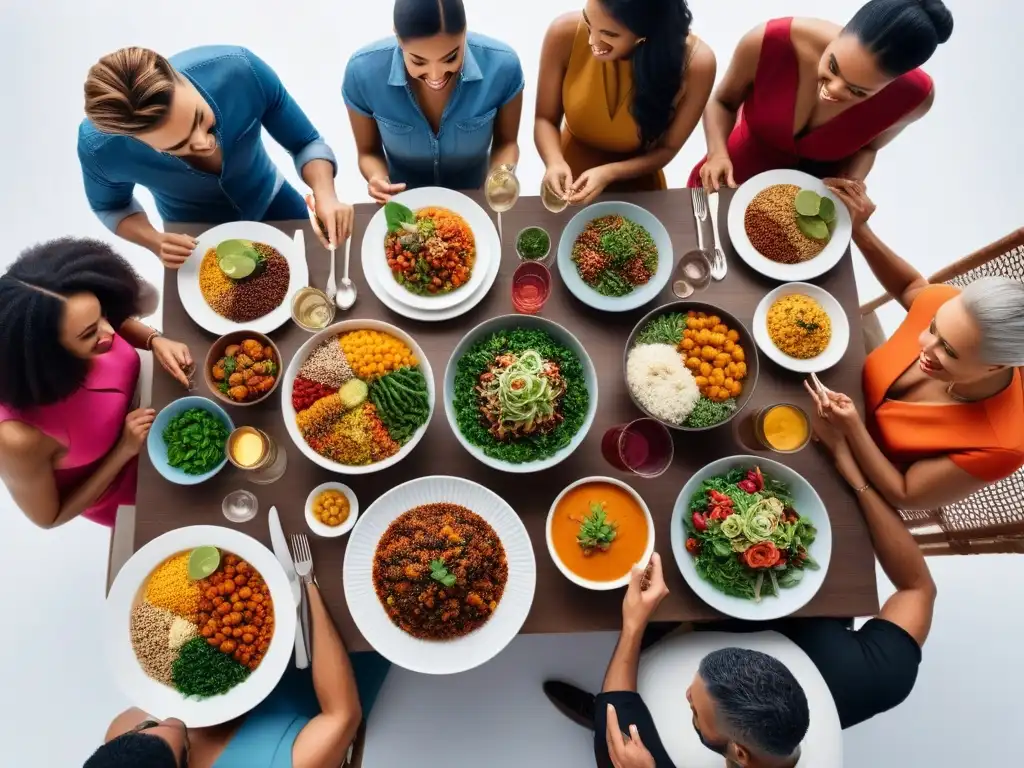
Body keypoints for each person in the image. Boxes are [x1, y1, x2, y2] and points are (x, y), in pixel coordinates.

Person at [543, 424, 936, 767]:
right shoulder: (879, 678)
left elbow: (619, 711)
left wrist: (633, 625)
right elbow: (917, 588)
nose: (687, 692)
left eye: (693, 707)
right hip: (778, 608)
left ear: (738, 753)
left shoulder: (645, 761)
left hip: (644, 676)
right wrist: (855, 476)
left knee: (610, 727)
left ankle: (593, 712)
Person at [803, 180, 1024, 512]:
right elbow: (911, 286)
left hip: (849, 474)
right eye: (933, 326)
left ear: (996, 366)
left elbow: (904, 493)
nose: (924, 343)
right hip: (823, 390)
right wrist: (861, 229)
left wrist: (853, 429)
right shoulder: (949, 304)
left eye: (948, 350)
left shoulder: (1003, 445)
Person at [80, 46, 353, 268]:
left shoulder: (241, 71)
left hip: (274, 201)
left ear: (178, 75)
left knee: (329, 274)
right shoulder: (99, 149)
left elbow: (305, 142)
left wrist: (326, 194)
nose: (205, 142)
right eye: (179, 145)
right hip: (194, 240)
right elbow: (111, 207)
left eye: (201, 118)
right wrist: (154, 240)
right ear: (133, 139)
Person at [83, 577, 391, 768]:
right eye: (182, 745)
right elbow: (343, 715)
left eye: (151, 724)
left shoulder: (120, 733)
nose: (174, 721)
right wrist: (308, 586)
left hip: (258, 638)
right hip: (340, 661)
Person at [0, 238, 194, 529]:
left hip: (166, 415)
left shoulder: (89, 324)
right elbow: (49, 518)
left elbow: (111, 323)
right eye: (90, 333)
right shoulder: (16, 437)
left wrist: (155, 340)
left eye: (102, 312)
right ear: (47, 353)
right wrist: (124, 450)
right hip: (126, 485)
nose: (110, 331)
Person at [692, 0, 953, 191]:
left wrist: (852, 184)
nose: (834, 90)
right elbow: (722, 101)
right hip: (728, 177)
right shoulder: (771, 41)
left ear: (893, 83)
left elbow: (870, 147)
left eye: (857, 91)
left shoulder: (913, 99)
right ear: (842, 32)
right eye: (832, 67)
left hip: (808, 208)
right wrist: (717, 153)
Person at [536, 0, 715, 204]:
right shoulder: (563, 33)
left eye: (609, 34)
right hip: (569, 175)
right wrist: (554, 162)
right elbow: (545, 119)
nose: (592, 41)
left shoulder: (696, 65)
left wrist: (609, 173)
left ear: (647, 31)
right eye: (587, 21)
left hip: (639, 184)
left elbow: (667, 148)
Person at [343, 0, 524, 201]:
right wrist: (376, 177)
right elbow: (368, 152)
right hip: (404, 204)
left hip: (474, 198)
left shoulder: (503, 67)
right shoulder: (362, 73)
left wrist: (499, 177)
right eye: (418, 61)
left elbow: (507, 143)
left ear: (465, 31)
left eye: (450, 58)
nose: (436, 76)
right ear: (398, 36)